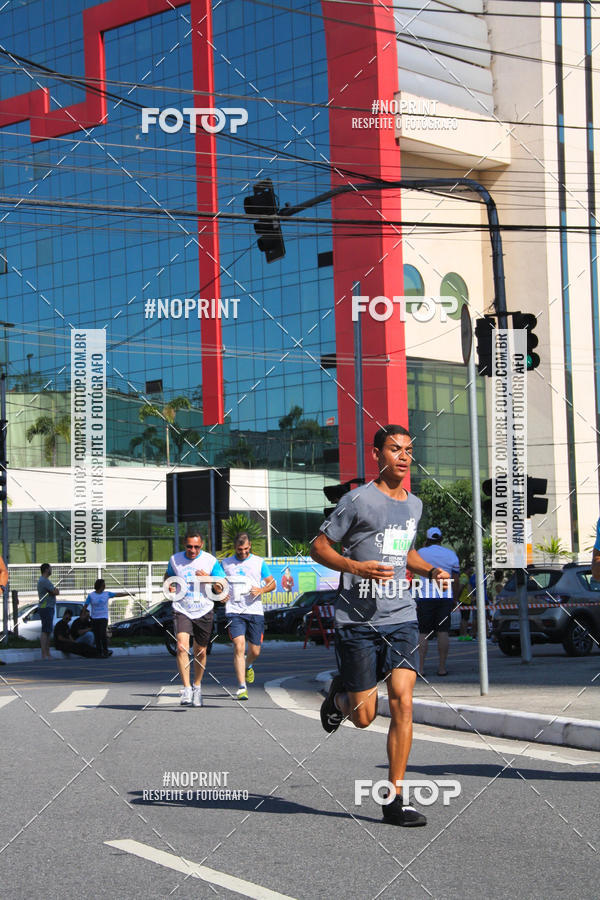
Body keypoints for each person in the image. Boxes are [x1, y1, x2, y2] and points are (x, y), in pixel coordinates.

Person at [311, 424, 450, 828]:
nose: (404, 457)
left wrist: (431, 570)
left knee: (404, 700)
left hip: (401, 615)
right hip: (356, 619)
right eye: (395, 449)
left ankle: (395, 799)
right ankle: (339, 699)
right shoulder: (357, 500)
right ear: (377, 455)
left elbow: (404, 553)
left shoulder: (415, 505)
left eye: (408, 450)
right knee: (364, 716)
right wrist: (355, 566)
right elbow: (319, 546)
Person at [164, 529, 226, 708]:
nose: (193, 550)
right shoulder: (175, 560)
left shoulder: (210, 561)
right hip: (182, 608)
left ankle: (197, 686)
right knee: (182, 647)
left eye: (196, 547)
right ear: (184, 545)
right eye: (190, 547)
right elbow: (168, 576)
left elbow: (222, 585)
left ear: (202, 545)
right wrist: (169, 586)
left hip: (204, 609)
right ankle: (186, 688)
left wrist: (209, 578)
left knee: (201, 652)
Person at [222, 532, 276, 700]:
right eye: (240, 550)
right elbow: (218, 584)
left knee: (255, 651)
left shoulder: (259, 562)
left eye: (246, 549)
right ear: (234, 548)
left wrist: (261, 590)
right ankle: (241, 687)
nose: (243, 553)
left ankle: (248, 665)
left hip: (255, 611)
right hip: (234, 611)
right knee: (239, 647)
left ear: (250, 546)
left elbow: (272, 583)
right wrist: (220, 592)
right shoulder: (226, 563)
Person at [415, 528, 460, 676]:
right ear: (441, 539)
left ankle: (420, 668)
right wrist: (455, 598)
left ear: (427, 539)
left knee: (423, 632)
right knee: (443, 631)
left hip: (425, 596)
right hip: (445, 596)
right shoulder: (451, 554)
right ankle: (442, 668)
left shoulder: (420, 553)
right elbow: (456, 578)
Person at [85, 579, 127, 658]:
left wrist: (127, 594)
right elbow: (85, 605)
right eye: (103, 585)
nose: (105, 586)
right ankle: (98, 652)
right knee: (97, 635)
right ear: (100, 586)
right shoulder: (91, 595)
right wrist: (83, 613)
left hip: (103, 617)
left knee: (102, 633)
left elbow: (117, 594)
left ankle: (105, 651)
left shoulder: (107, 594)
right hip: (94, 618)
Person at [37, 563, 60, 660]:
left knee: (48, 630)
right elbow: (55, 592)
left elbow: (55, 591)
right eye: (50, 568)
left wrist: (55, 590)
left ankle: (47, 653)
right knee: (46, 630)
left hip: (47, 607)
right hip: (46, 607)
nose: (51, 570)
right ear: (46, 569)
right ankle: (45, 654)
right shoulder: (44, 581)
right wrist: (55, 590)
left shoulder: (45, 581)